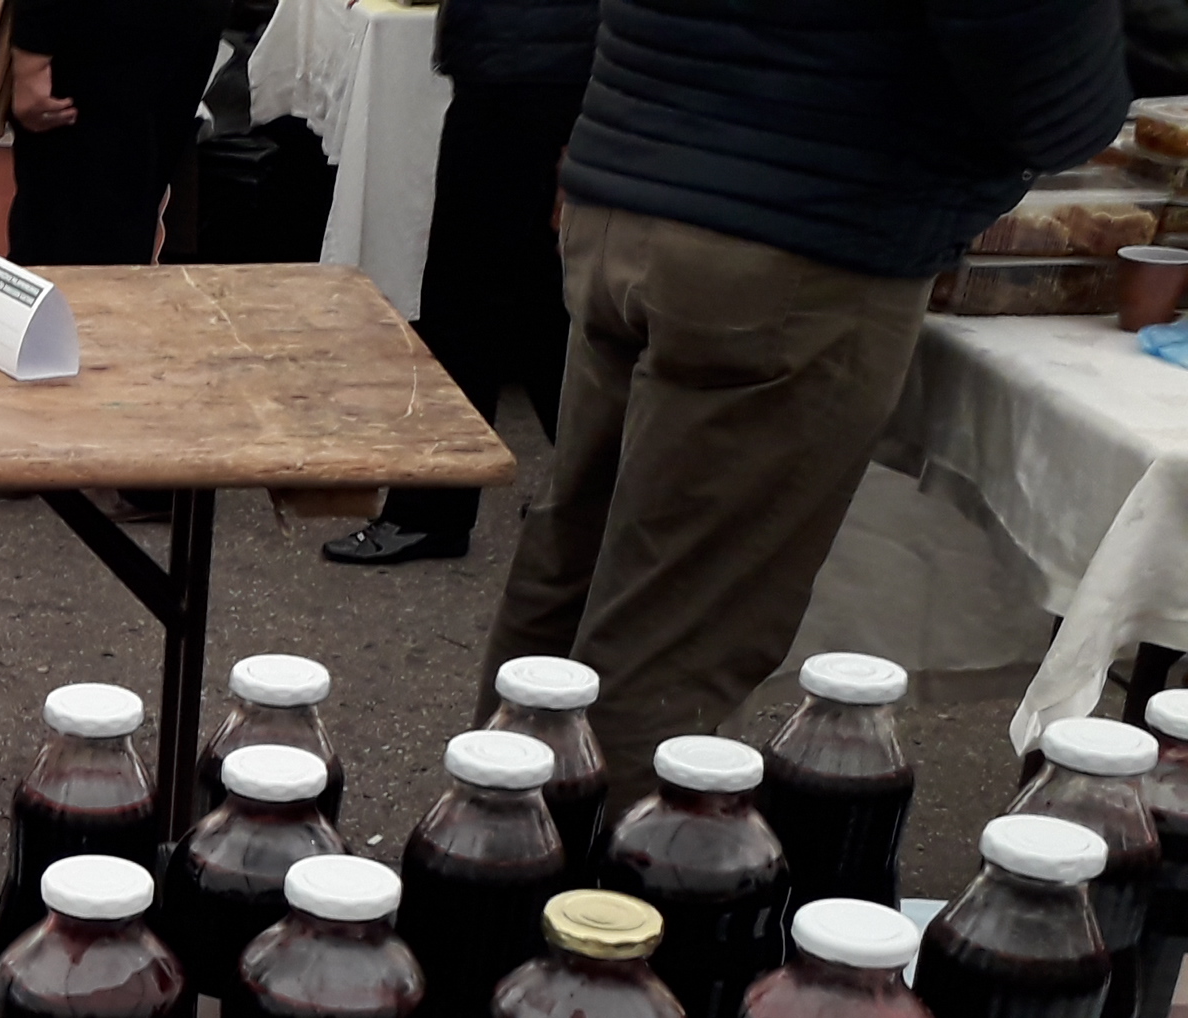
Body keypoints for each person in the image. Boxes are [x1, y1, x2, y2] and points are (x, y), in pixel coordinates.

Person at [479, 0, 1128, 799]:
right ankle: (589, 865)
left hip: (640, 174)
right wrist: (1088, 104)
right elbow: (1030, 53)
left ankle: (494, 832)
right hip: (789, 233)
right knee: (675, 630)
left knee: (575, 568)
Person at [323, 0, 592, 567]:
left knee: (468, 298)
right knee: (537, 298)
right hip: (538, 62)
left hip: (521, 66)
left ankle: (432, 510)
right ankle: (598, 493)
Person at [9, 0, 233, 267]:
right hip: (178, 26)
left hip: (101, 36)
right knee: (127, 218)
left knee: (72, 232)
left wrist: (31, 53)